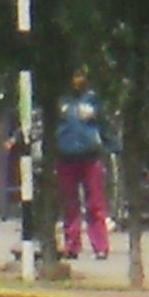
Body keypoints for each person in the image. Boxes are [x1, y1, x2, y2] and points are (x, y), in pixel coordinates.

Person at [50, 69, 112, 261]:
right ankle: (72, 245)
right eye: (74, 75)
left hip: (90, 156)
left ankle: (100, 246)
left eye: (80, 76)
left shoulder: (93, 99)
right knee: (70, 204)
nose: (77, 80)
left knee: (95, 204)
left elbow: (104, 125)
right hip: (65, 156)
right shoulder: (61, 101)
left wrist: (110, 147)